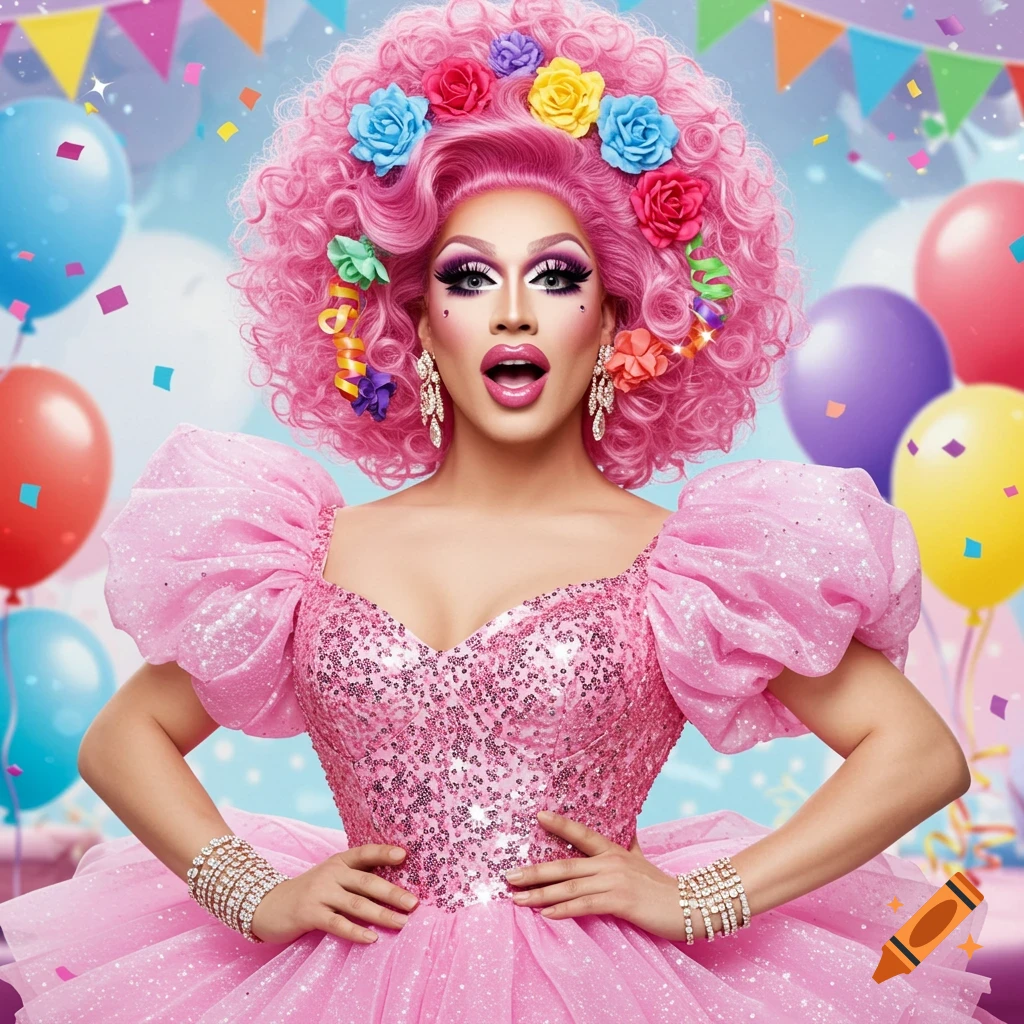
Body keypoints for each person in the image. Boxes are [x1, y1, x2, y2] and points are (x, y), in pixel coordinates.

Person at [0, 0, 1003, 1020]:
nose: (513, 310)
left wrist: (706, 897)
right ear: (417, 322)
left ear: (619, 315)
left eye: (558, 276)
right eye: (469, 277)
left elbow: (917, 753)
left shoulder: (687, 559)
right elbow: (121, 739)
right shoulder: (304, 547)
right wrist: (253, 891)